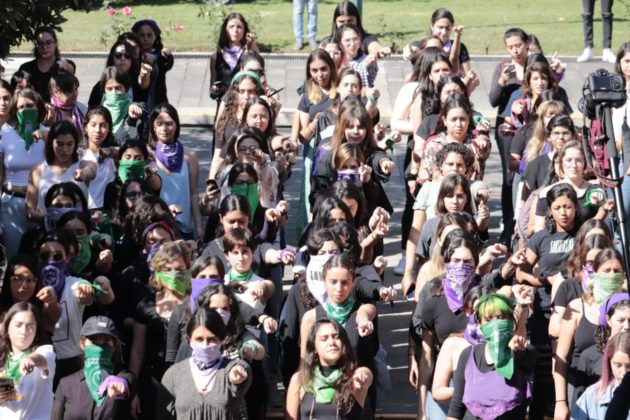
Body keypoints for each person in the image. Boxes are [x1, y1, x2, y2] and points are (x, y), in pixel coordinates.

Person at [554, 247, 627, 418]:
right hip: (582, 383)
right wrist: (560, 402)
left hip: (622, 384)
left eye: (616, 271)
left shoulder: (627, 309)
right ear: (595, 273)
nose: (611, 275)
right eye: (606, 270)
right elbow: (561, 356)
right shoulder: (577, 307)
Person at [446, 294, 537, 419]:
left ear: (511, 320)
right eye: (489, 320)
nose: (495, 324)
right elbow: (456, 407)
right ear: (479, 324)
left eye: (500, 318)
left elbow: (526, 358)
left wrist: (519, 350)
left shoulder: (523, 354)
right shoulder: (467, 356)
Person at [157, 308, 253, 419]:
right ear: (189, 339)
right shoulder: (174, 375)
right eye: (199, 339)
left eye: (212, 339)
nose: (205, 345)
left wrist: (238, 370)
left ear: (222, 340)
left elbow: (244, 370)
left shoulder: (230, 370)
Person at [285, 318, 373, 419]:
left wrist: (362, 374)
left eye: (336, 337)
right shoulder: (300, 379)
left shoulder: (353, 377)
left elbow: (366, 375)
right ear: (314, 347)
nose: (331, 342)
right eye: (324, 339)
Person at [488, 27, 528, 246]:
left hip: (529, 126)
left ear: (527, 44)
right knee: (509, 177)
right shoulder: (503, 67)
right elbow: (493, 100)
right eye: (511, 47)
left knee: (528, 174)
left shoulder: (533, 66)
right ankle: (507, 225)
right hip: (507, 127)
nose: (515, 51)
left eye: (518, 45)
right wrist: (502, 82)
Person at [52, 316, 133, 419]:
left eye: (105, 343)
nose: (99, 349)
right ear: (82, 344)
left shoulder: (122, 379)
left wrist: (122, 383)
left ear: (114, 346)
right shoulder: (66, 384)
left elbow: (130, 380)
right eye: (94, 342)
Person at [0, 88, 46, 258]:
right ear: (14, 110)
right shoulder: (5, 134)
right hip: (12, 203)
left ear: (38, 108)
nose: (25, 110)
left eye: (30, 105)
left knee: (40, 257)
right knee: (14, 258)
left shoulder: (48, 134)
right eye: (21, 107)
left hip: (40, 204)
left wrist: (48, 136)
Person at [25, 120, 96, 225]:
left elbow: (92, 170)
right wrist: (50, 220)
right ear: (51, 143)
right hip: (49, 235)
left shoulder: (83, 165)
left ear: (75, 144)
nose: (64, 149)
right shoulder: (38, 170)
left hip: (77, 233)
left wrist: (84, 173)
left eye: (69, 144)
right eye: (59, 144)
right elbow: (29, 212)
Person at [149, 103, 202, 239]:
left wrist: (199, 225)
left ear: (176, 125)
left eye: (169, 123)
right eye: (159, 124)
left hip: (184, 227)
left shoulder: (190, 155)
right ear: (153, 127)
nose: (164, 128)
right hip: (157, 226)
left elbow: (194, 193)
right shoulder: (148, 154)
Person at [0, 302, 56, 419]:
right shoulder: (3, 359)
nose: (24, 331)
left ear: (36, 331)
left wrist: (30, 359)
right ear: (7, 329)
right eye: (18, 325)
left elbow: (42, 359)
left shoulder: (45, 350)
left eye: (30, 326)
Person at [572, 332, 630, 419]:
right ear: (609, 363)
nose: (624, 372)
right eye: (618, 365)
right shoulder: (592, 395)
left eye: (629, 366)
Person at [0, 254, 61, 333]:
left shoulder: (43, 311)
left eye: (29, 280)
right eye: (17, 279)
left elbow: (53, 315)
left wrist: (51, 299)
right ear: (8, 280)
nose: (24, 285)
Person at [17, 27, 75, 103]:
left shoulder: (63, 64)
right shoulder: (26, 68)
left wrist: (63, 64)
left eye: (49, 42)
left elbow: (71, 68)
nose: (44, 47)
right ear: (36, 45)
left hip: (59, 112)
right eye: (40, 43)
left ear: (55, 43)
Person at [210, 13, 258, 102]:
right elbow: (212, 94)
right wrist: (215, 89)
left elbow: (258, 80)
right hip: (224, 107)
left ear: (245, 30)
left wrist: (252, 45)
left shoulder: (248, 54)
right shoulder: (216, 57)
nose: (235, 30)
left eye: (239, 27)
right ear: (225, 30)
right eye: (231, 26)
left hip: (245, 105)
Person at [131, 19, 174, 110]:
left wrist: (167, 56)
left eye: (149, 35)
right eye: (142, 35)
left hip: (158, 100)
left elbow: (167, 64)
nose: (146, 39)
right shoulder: (132, 56)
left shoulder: (160, 54)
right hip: (138, 102)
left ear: (155, 36)